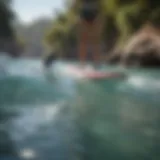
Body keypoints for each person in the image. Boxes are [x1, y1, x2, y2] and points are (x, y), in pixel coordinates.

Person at [73, 0, 104, 67]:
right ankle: (82, 64)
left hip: (95, 14)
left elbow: (101, 4)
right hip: (84, 15)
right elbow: (75, 4)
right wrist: (77, 16)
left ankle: (97, 63)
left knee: (95, 40)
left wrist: (100, 15)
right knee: (83, 40)